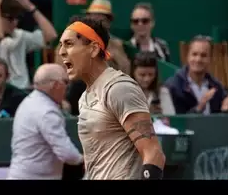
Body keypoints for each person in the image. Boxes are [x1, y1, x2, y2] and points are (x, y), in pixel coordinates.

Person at [58, 16, 165, 180]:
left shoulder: (119, 88)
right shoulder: (85, 97)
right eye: (61, 45)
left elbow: (153, 153)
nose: (61, 52)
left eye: (69, 44)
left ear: (93, 49)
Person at [8, 63, 83, 180]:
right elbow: (66, 153)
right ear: (55, 85)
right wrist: (83, 160)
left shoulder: (30, 101)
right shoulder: (46, 111)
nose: (67, 87)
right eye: (65, 82)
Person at [165, 35, 228, 114]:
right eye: (194, 54)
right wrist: (199, 108)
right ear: (188, 56)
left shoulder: (216, 86)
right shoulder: (173, 86)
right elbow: (173, 120)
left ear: (210, 58)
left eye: (203, 55)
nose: (198, 59)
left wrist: (226, 107)